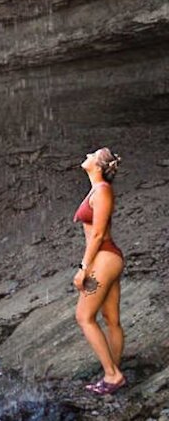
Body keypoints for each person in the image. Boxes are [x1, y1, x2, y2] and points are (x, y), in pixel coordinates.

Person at [72, 147, 125, 395]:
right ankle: (113, 369)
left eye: (93, 154)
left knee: (84, 317)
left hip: (104, 257)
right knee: (111, 320)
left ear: (99, 165)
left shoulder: (102, 191)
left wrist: (84, 267)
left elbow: (98, 234)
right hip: (107, 257)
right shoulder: (96, 190)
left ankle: (112, 376)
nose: (88, 155)